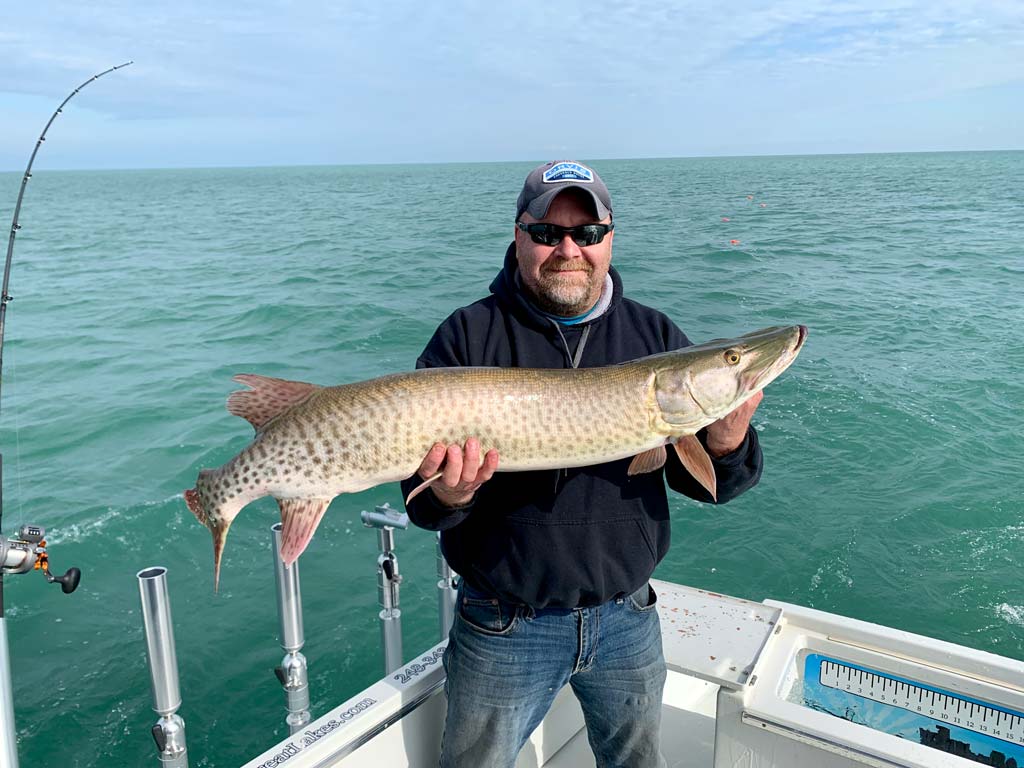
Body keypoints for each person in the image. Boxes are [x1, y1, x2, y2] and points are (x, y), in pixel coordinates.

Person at [400, 160, 764, 768]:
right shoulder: (467, 336)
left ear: (609, 239)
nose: (568, 249)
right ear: (518, 236)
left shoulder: (655, 337)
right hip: (502, 626)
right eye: (547, 233)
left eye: (587, 233)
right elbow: (424, 500)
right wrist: (454, 494)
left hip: (627, 618)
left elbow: (707, 484)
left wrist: (725, 445)